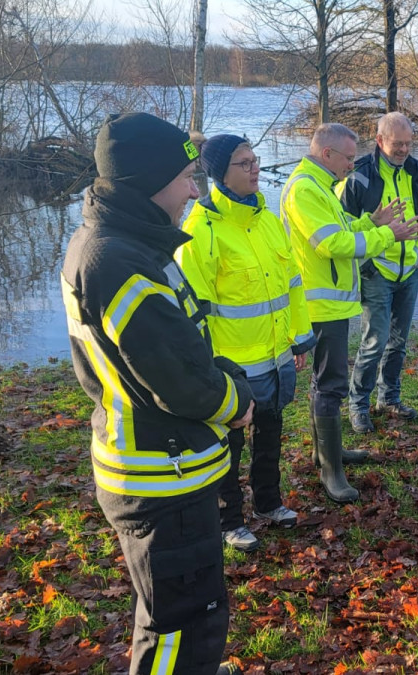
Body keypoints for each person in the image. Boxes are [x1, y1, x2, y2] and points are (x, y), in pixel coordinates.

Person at [61, 112, 253, 675]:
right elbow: (180, 382)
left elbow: (179, 344)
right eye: (187, 178)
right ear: (149, 182)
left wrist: (220, 371)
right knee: (181, 625)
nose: (195, 190)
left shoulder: (124, 242)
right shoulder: (119, 261)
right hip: (161, 474)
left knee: (183, 613)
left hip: (166, 464)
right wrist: (237, 403)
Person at [176, 134, 315, 552]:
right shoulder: (200, 231)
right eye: (244, 163)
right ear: (220, 174)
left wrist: (299, 340)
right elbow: (193, 312)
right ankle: (229, 519)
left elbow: (292, 284)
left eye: (255, 160)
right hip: (231, 368)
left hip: (275, 357)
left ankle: (269, 503)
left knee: (270, 437)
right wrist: (208, 369)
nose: (255, 168)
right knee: (229, 447)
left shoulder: (267, 220)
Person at [282, 122, 418, 502]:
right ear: (327, 154)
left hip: (330, 303)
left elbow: (344, 228)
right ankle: (331, 471)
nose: (351, 165)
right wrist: (388, 235)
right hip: (320, 305)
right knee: (331, 384)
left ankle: (327, 453)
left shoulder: (320, 186)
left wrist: (372, 222)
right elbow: (334, 244)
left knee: (325, 382)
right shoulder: (305, 189)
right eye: (347, 157)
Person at [337, 112, 418, 434]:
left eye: (408, 143)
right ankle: (358, 405)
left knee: (398, 343)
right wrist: (364, 265)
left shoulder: (416, 173)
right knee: (374, 343)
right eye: (397, 144)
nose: (404, 149)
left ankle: (389, 399)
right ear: (379, 141)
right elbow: (342, 228)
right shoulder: (359, 177)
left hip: (410, 272)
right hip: (375, 272)